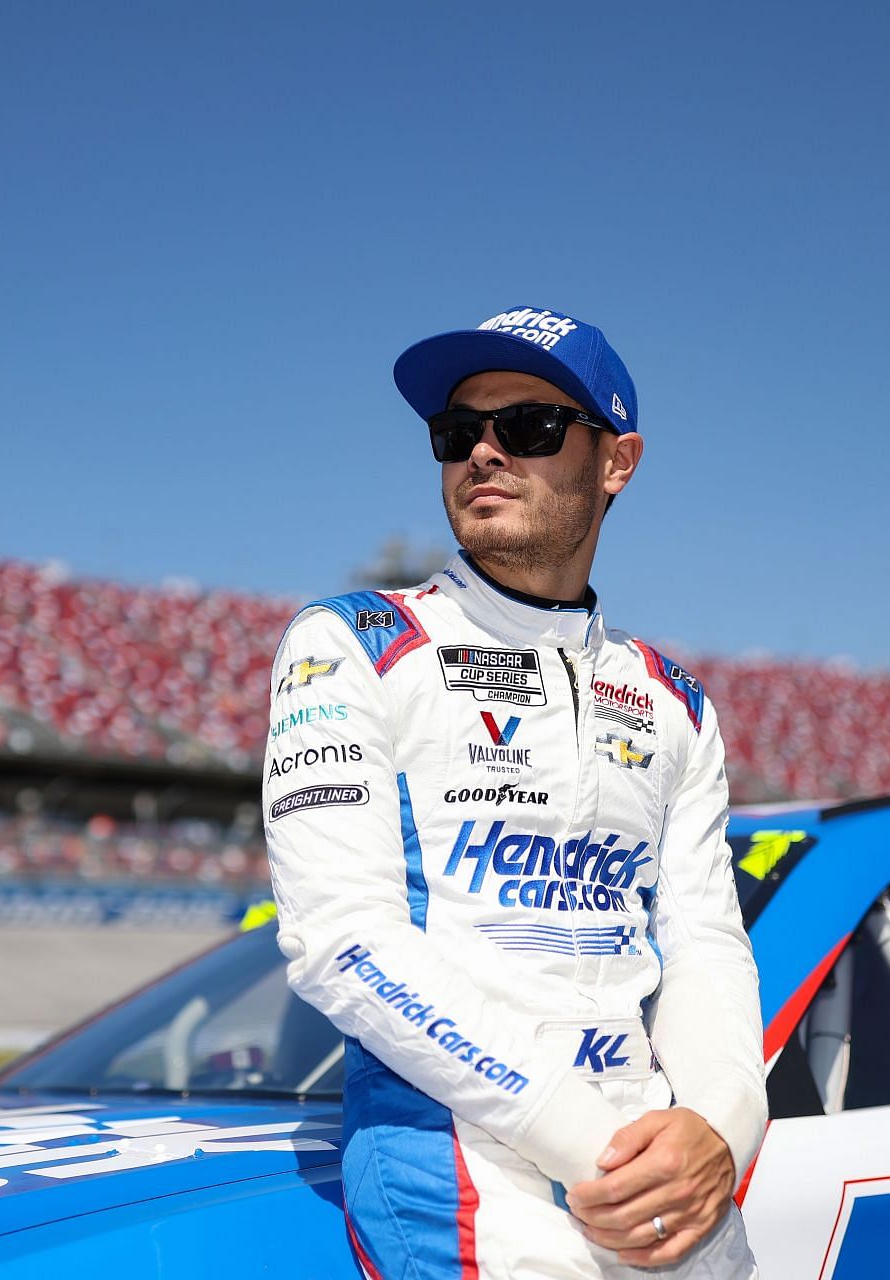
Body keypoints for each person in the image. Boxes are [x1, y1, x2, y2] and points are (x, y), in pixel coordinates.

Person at [261, 305, 765, 1278]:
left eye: (526, 428)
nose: (482, 453)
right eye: (457, 435)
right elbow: (339, 936)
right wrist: (591, 1145)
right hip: (465, 1169)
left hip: (667, 1177)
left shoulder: (675, 699)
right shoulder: (352, 640)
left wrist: (720, 1130)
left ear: (616, 461)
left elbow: (703, 941)